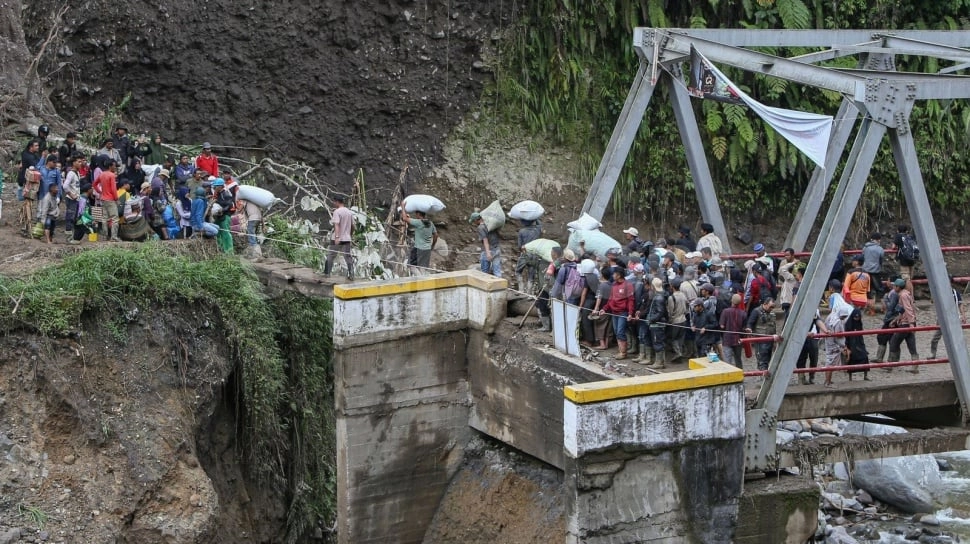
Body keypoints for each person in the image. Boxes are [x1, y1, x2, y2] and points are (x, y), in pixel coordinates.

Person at [887, 278, 920, 373]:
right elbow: (903, 311)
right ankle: (915, 367)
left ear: (898, 287)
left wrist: (911, 323)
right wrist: (896, 320)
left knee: (894, 342)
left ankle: (890, 364)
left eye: (894, 286)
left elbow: (908, 309)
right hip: (908, 322)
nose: (893, 287)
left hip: (905, 324)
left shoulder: (903, 295)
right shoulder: (906, 294)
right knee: (911, 344)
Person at [930, 281, 966, 360]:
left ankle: (959, 354)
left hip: (954, 319)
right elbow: (933, 301)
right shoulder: (939, 292)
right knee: (935, 338)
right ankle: (933, 354)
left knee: (956, 338)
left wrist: (963, 315)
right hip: (942, 318)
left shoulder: (955, 293)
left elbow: (960, 304)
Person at [400, 201, 438, 274]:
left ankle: (420, 278)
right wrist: (432, 245)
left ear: (418, 214)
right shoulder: (430, 223)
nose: (416, 215)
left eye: (416, 214)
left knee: (411, 266)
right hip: (427, 249)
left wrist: (403, 207)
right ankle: (424, 279)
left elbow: (404, 218)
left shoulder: (418, 222)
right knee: (422, 268)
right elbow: (436, 235)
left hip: (418, 249)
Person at [639, 277, 669, 368]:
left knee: (657, 342)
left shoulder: (659, 298)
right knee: (658, 342)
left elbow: (660, 312)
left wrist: (651, 319)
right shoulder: (659, 296)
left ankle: (659, 362)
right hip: (657, 323)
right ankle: (660, 361)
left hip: (657, 324)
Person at [324, 194, 354, 279]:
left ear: (337, 202)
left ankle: (327, 273)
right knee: (347, 256)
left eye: (334, 202)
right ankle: (351, 274)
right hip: (346, 238)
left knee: (331, 255)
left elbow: (336, 225)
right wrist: (350, 234)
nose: (334, 203)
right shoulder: (349, 212)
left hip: (336, 238)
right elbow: (353, 226)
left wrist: (337, 237)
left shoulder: (337, 212)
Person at [822, 305, 851, 387]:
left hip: (829, 342)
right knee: (830, 364)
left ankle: (827, 380)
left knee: (829, 362)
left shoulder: (831, 316)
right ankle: (827, 382)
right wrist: (843, 345)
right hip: (834, 345)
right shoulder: (838, 322)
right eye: (844, 316)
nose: (844, 318)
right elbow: (838, 335)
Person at [745, 297, 777, 371]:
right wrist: (749, 328)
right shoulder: (756, 311)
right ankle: (762, 374)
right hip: (760, 341)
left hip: (770, 340)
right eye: (770, 307)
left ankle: (765, 373)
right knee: (762, 361)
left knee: (768, 360)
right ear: (765, 304)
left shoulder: (772, 314)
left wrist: (774, 342)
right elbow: (750, 323)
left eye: (773, 307)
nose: (771, 309)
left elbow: (773, 327)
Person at [93, 159, 120, 241]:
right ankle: (114, 237)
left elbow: (94, 184)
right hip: (111, 199)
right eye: (114, 165)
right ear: (110, 166)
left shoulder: (102, 174)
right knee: (115, 218)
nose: (115, 167)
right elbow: (113, 189)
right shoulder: (112, 175)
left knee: (104, 218)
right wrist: (116, 199)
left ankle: (105, 236)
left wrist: (99, 191)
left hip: (103, 199)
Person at [469, 211, 501, 277]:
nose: (474, 223)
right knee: (497, 272)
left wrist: (488, 253)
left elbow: (485, 241)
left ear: (476, 220)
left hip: (488, 251)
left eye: (474, 221)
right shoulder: (490, 224)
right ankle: (500, 283)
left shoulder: (481, 227)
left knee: (484, 272)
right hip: (497, 249)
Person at [719, 294, 746, 368]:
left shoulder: (725, 311)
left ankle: (728, 374)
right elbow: (744, 328)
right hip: (738, 340)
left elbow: (722, 326)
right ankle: (739, 373)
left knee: (727, 360)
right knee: (738, 359)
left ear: (731, 300)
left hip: (727, 339)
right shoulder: (743, 313)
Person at [578, 258, 600, 347]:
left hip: (589, 301)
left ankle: (589, 340)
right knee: (593, 321)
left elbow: (584, 293)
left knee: (586, 320)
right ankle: (594, 339)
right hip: (595, 300)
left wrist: (580, 306)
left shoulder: (587, 278)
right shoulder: (595, 276)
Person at [590, 265, 614, 349]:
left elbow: (599, 298)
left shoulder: (602, 286)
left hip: (602, 308)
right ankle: (607, 344)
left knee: (600, 326)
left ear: (602, 275)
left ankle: (602, 344)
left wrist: (596, 309)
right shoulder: (612, 285)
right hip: (610, 308)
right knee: (608, 327)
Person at [861, 232, 885, 315]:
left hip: (866, 271)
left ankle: (871, 310)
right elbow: (881, 259)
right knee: (880, 290)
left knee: (868, 291)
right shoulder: (880, 249)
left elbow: (863, 257)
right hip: (876, 271)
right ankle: (883, 308)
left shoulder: (865, 247)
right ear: (878, 240)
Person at [845, 308, 870, 381]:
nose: (857, 318)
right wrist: (847, 346)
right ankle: (850, 377)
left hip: (859, 342)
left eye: (858, 317)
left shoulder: (859, 323)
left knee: (864, 357)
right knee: (852, 359)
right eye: (855, 317)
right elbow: (846, 336)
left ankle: (865, 375)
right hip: (851, 343)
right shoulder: (848, 324)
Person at [892, 225, 917, 292]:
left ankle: (908, 295)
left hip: (904, 260)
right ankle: (911, 296)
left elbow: (893, 247)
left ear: (898, 230)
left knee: (906, 279)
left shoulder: (898, 236)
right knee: (910, 279)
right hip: (912, 259)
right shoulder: (910, 236)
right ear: (906, 231)